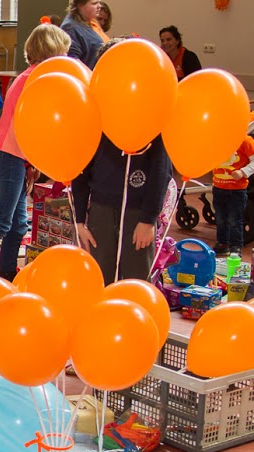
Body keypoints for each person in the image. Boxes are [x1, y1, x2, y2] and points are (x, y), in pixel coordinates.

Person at [0, 23, 73, 280]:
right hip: (9, 155)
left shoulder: (28, 76)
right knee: (2, 221)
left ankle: (6, 271)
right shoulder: (36, 79)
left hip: (13, 156)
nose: (66, 57)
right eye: (64, 51)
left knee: (17, 225)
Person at [72, 38, 173, 285]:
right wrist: (79, 220)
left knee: (136, 280)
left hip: (138, 211)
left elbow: (160, 170)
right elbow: (79, 165)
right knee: (99, 279)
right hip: (101, 209)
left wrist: (148, 219)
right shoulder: (93, 111)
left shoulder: (150, 112)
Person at [210, 134, 254, 256]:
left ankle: (236, 246)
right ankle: (222, 243)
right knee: (220, 218)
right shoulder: (216, 139)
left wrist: (243, 172)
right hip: (218, 187)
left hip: (237, 190)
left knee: (235, 220)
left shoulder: (245, 141)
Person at [61, 0, 107, 69]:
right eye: (94, 3)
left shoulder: (90, 22)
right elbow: (73, 60)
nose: (99, 6)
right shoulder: (70, 28)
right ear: (80, 5)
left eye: (99, 2)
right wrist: (90, 74)